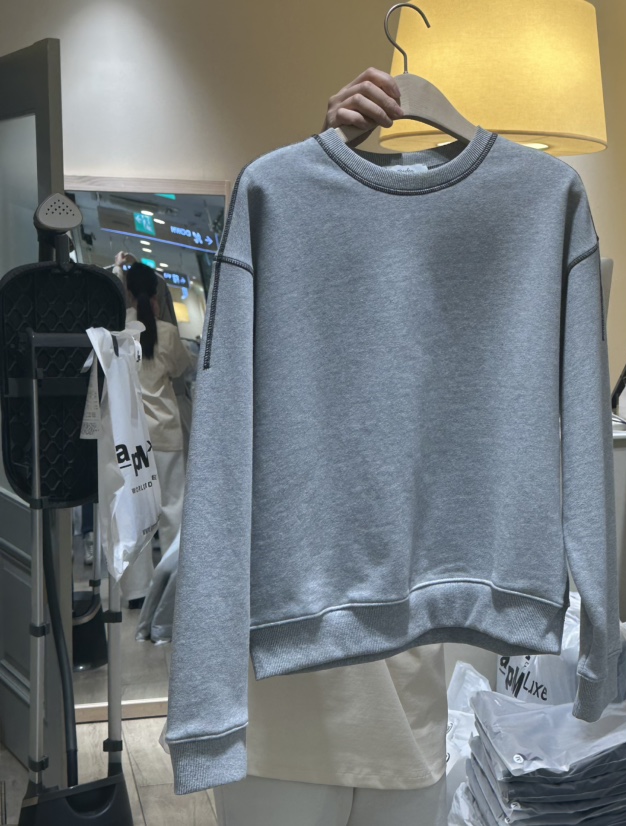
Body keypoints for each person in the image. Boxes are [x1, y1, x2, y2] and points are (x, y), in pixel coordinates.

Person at [211, 68, 450, 826]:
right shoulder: (276, 254)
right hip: (277, 714)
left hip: (406, 712)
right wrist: (322, 164)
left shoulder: (457, 315)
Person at [120, 261, 194, 608]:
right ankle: (173, 588)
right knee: (173, 510)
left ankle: (137, 592)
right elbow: (181, 369)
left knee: (134, 515)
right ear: (156, 292)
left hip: (130, 437)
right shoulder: (166, 332)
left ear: (127, 291)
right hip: (165, 433)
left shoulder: (117, 331)